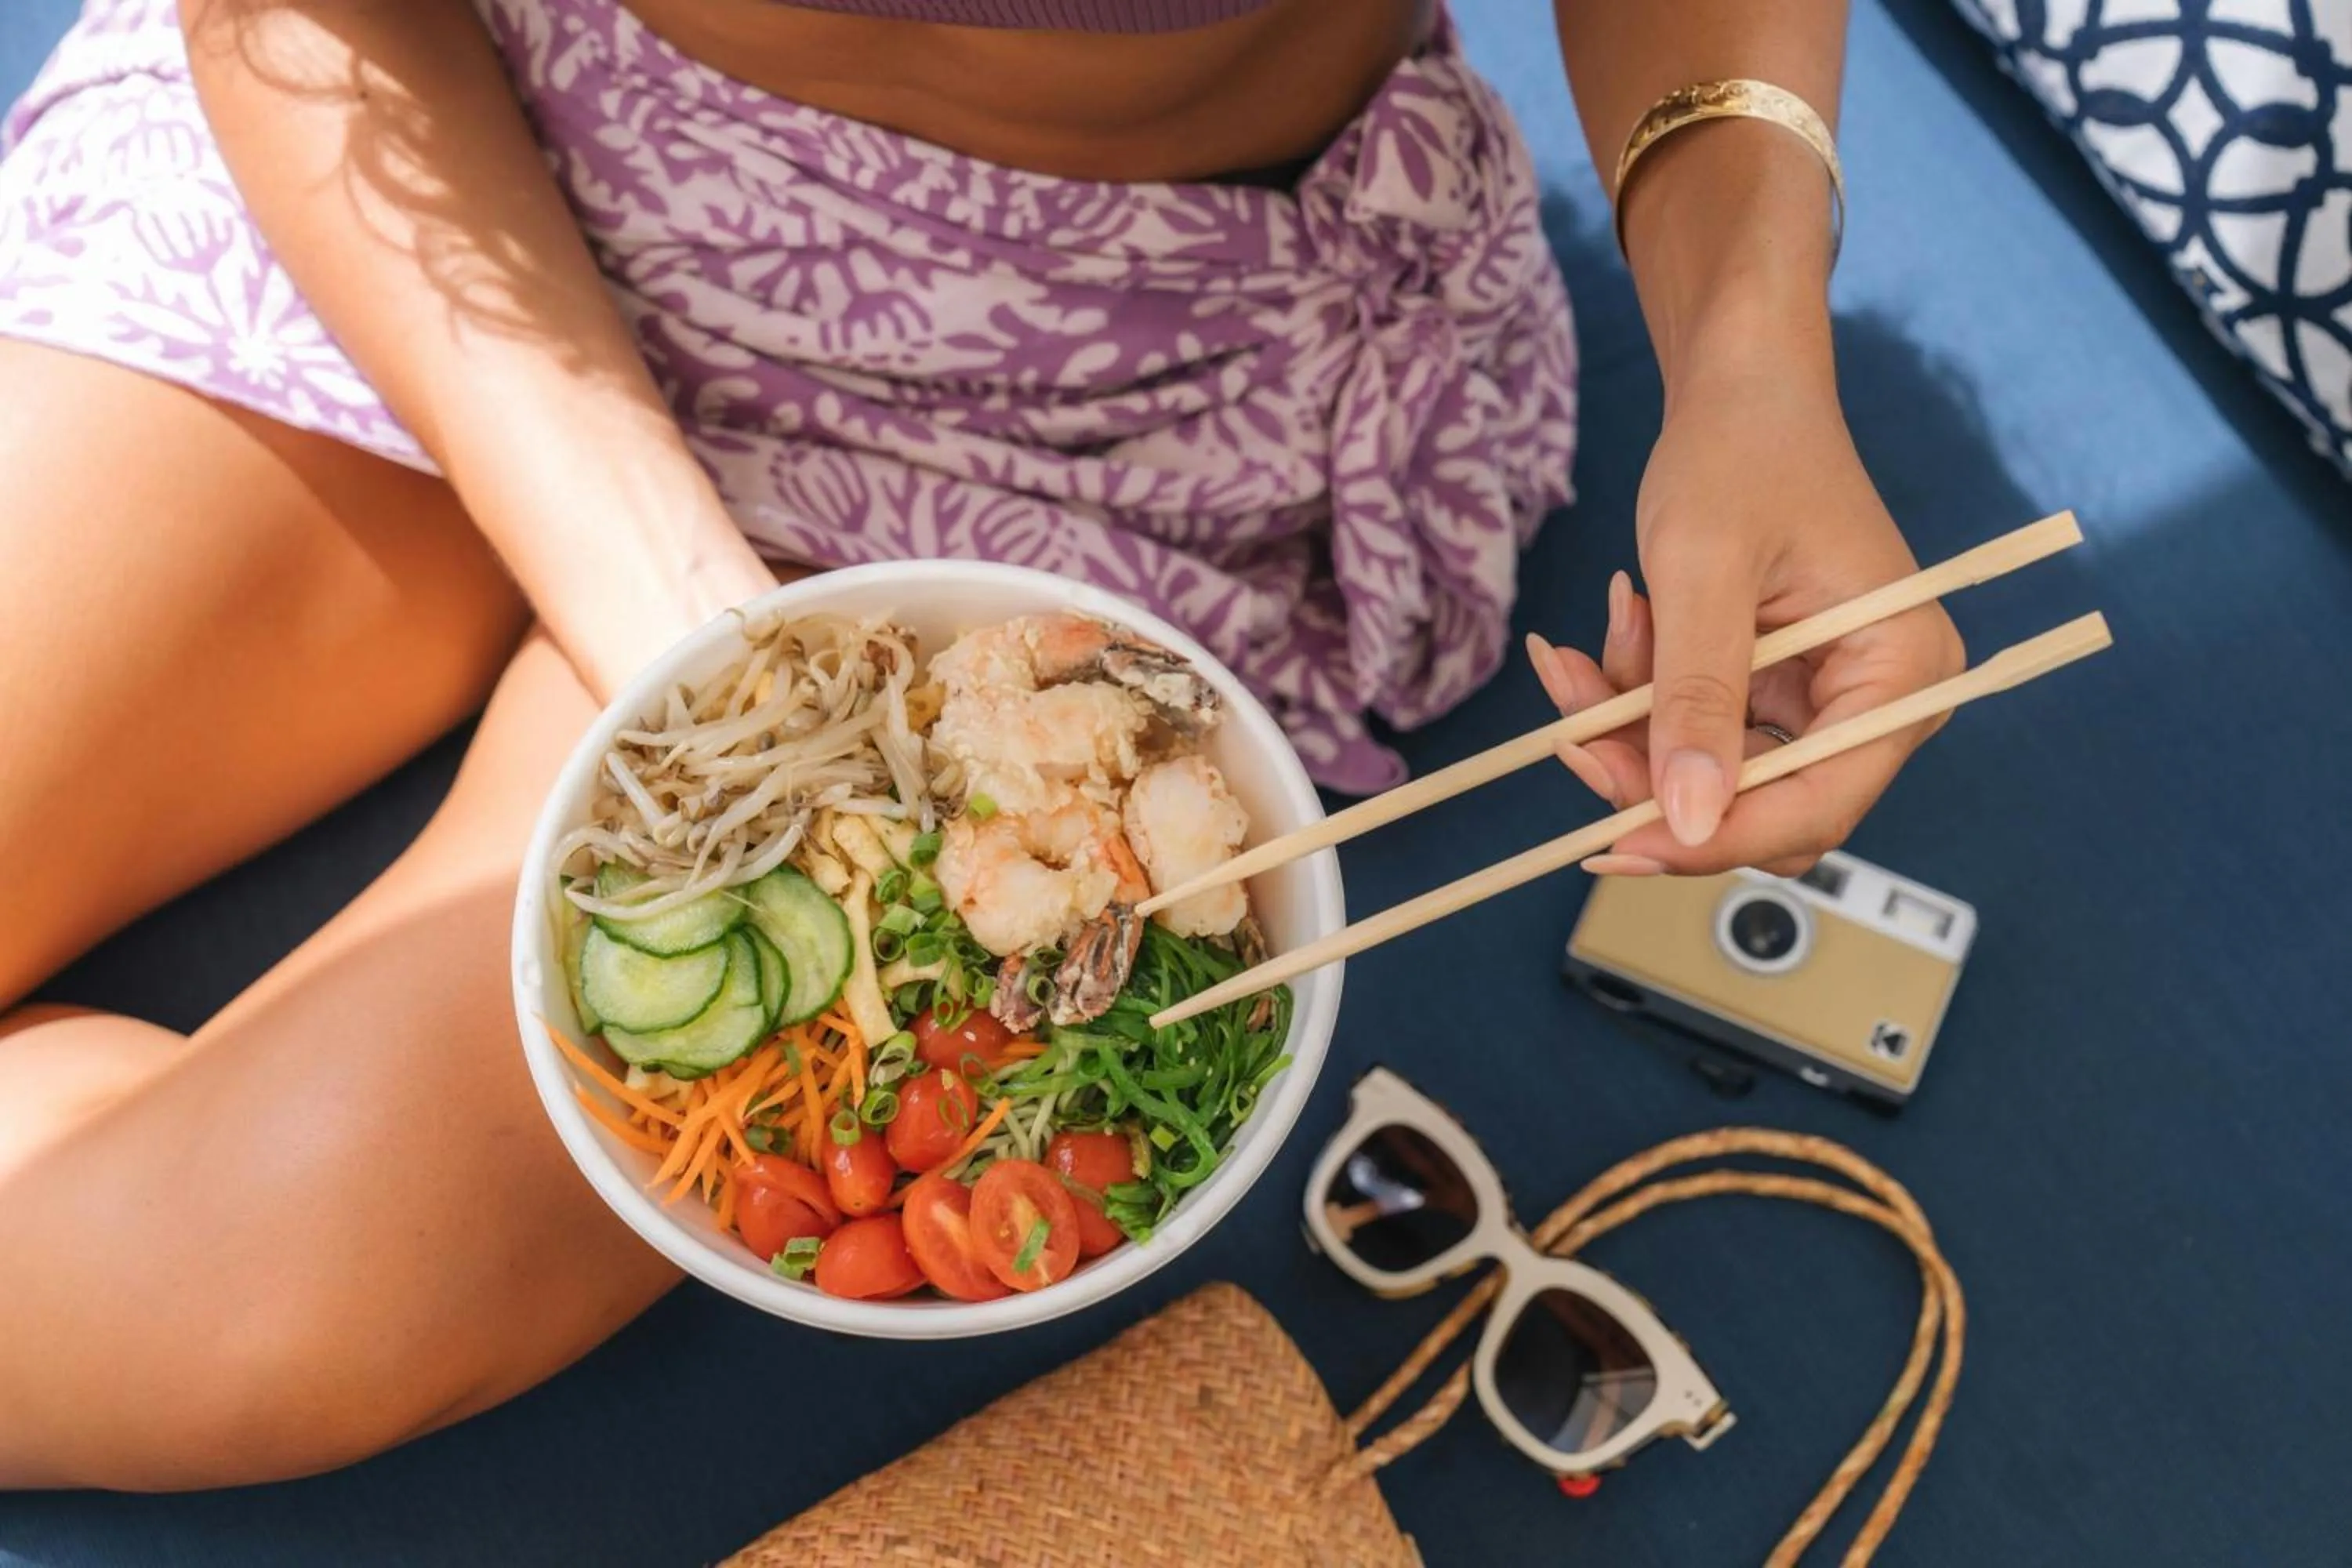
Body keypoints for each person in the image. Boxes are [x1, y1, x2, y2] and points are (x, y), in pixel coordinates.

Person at [0, 0, 1960, 1489]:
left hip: (1105, 357)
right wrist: (708, 639)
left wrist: (1754, 350)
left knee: (253, 1305)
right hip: (448, 152)